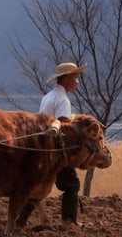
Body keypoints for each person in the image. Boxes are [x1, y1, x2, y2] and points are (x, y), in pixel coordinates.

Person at [17, 62, 86, 227]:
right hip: (56, 151)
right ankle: (69, 222)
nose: (77, 81)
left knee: (35, 185)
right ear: (66, 79)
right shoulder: (63, 100)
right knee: (72, 185)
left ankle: (20, 220)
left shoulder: (48, 97)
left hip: (44, 148)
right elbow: (63, 127)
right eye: (75, 77)